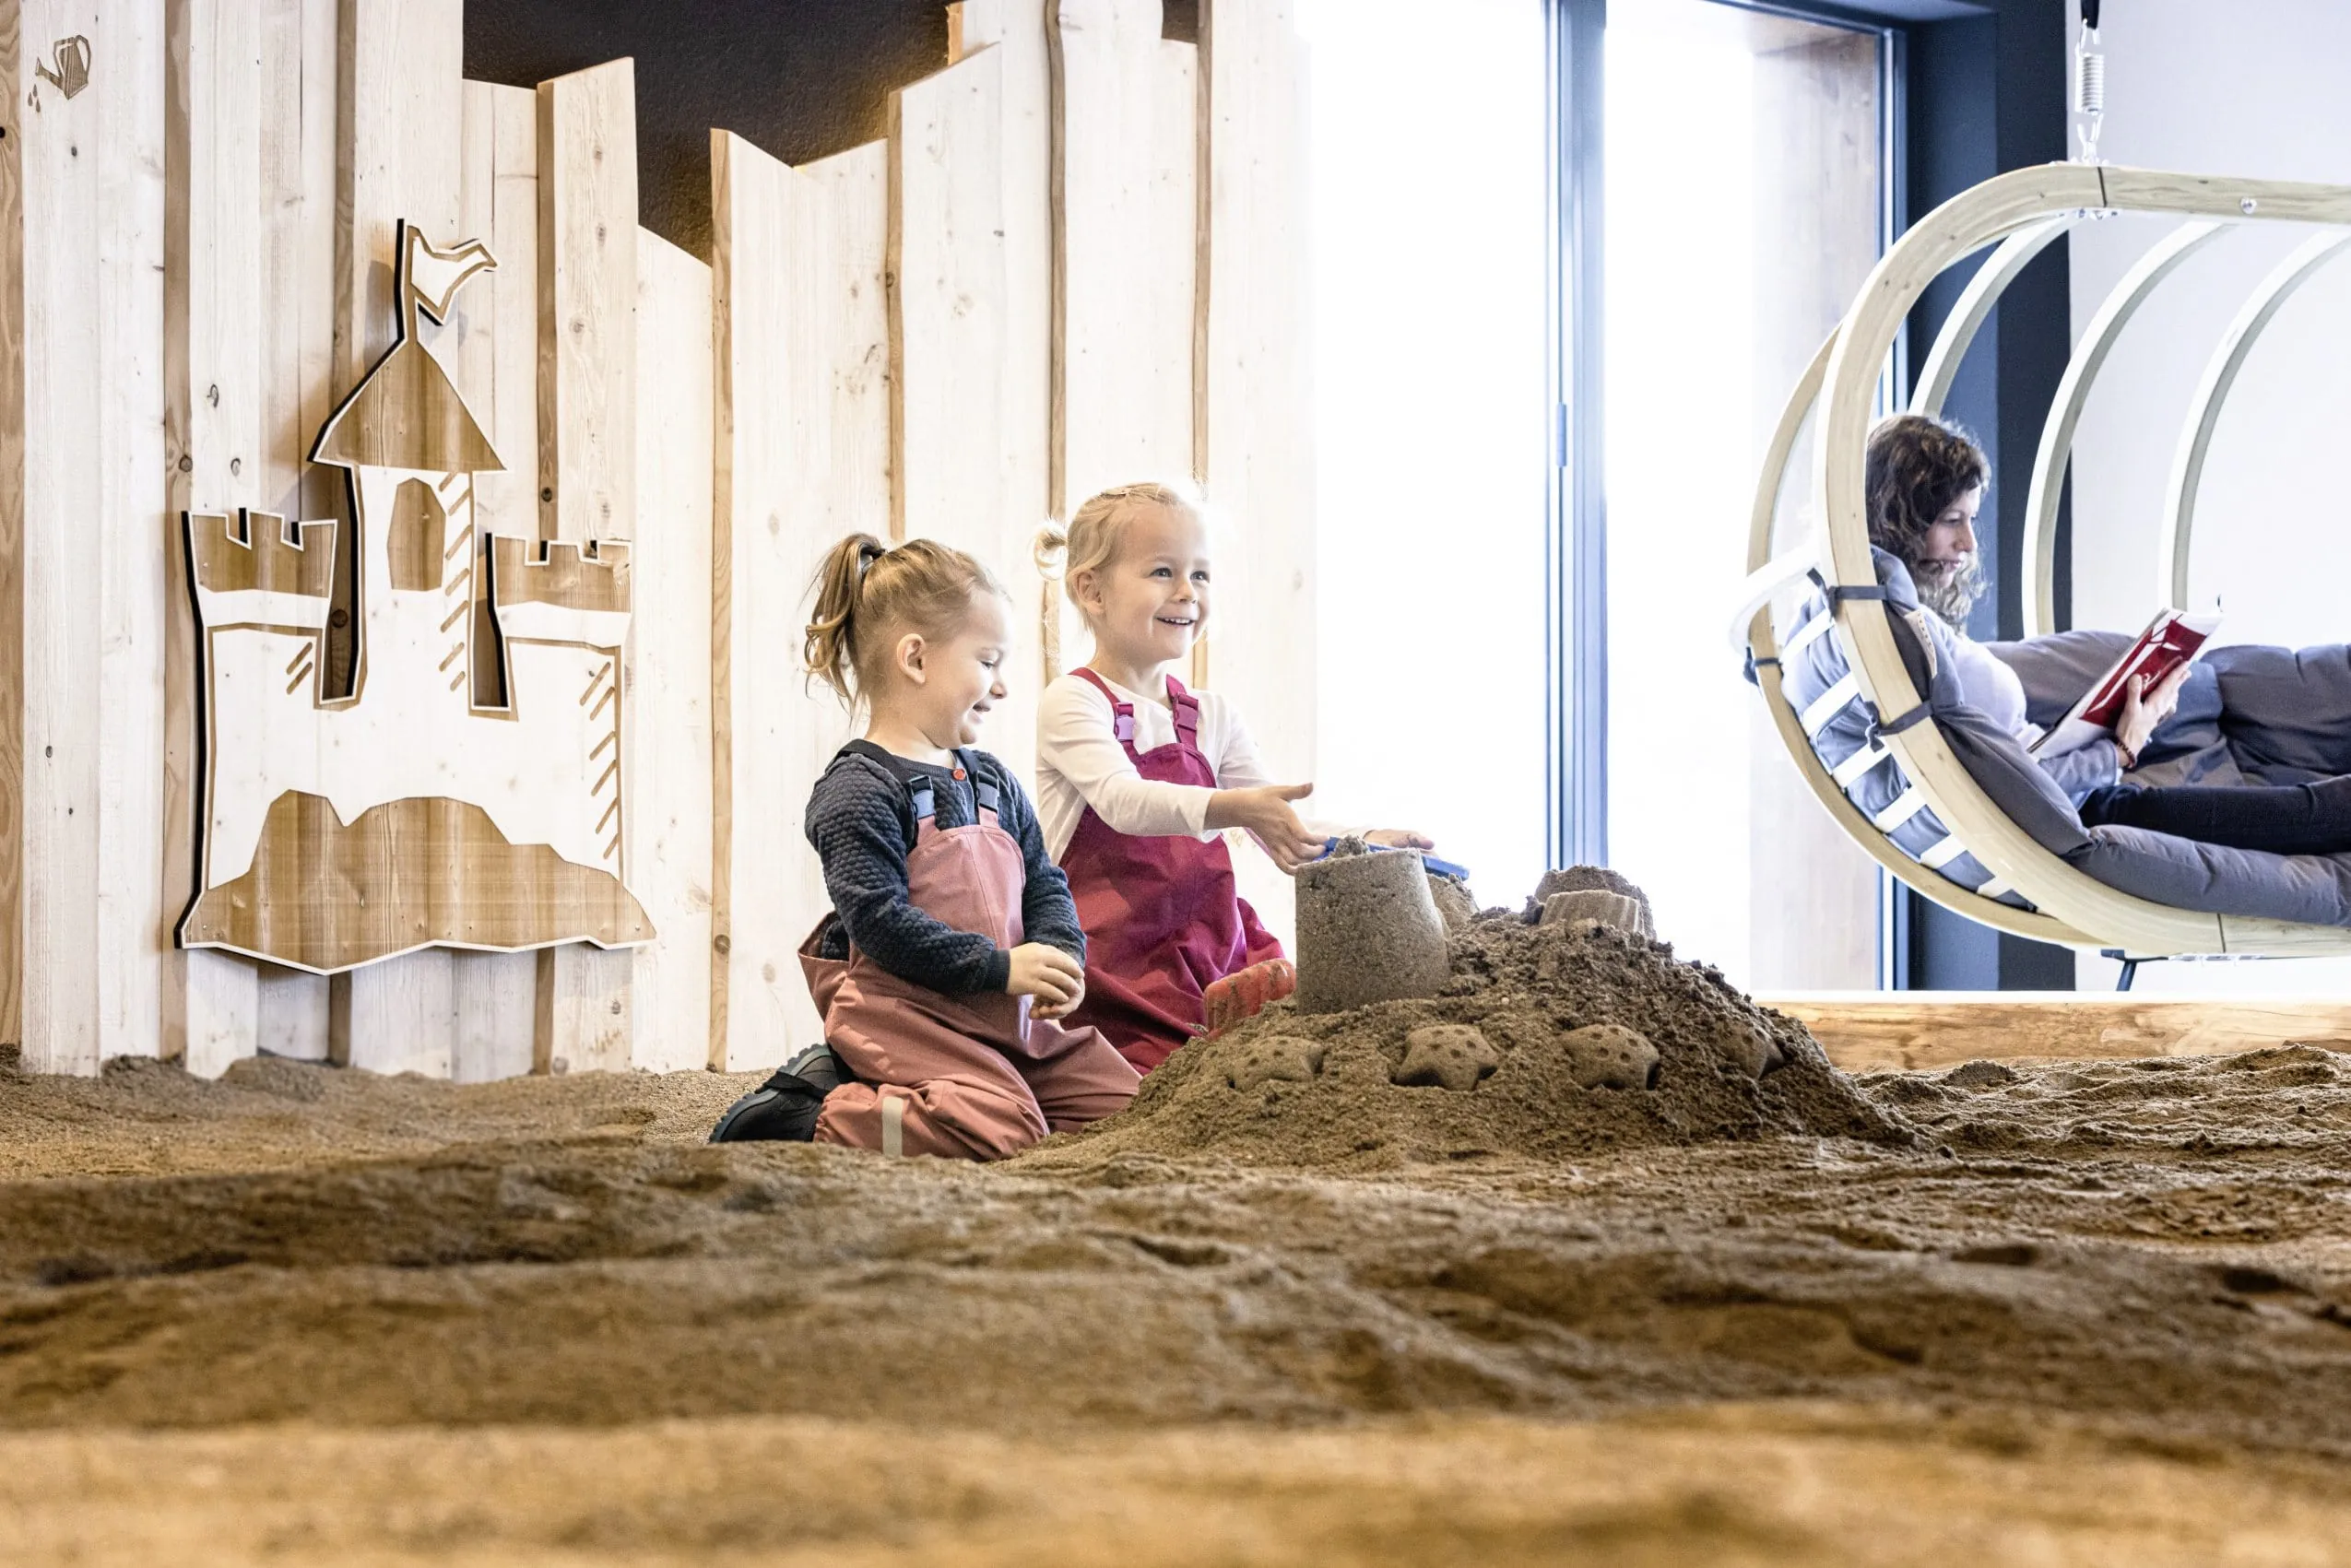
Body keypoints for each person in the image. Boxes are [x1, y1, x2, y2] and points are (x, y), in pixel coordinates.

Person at [709, 535, 1139, 1154]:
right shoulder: (859, 789)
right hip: (911, 1014)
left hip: (1008, 1013)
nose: (1002, 686)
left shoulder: (991, 779)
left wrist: (1058, 951)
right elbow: (881, 924)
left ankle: (985, 1086)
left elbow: (1044, 878)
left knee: (1129, 1108)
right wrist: (1000, 967)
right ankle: (817, 1110)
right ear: (916, 658)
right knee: (1005, 1130)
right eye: (988, 661)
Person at [1034, 480, 1432, 1072]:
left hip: (1213, 949)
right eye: (1162, 571)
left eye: (1201, 575)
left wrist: (1365, 842)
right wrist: (1237, 807)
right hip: (1117, 968)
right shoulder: (1073, 702)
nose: (1186, 592)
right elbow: (1123, 802)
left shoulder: (1211, 715)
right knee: (1157, 1082)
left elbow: (1280, 824)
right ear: (1090, 591)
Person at [1867, 413, 2351, 855]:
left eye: (1970, 520)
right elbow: (2024, 785)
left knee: (2306, 808)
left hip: (2087, 797)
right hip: (2089, 809)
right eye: (1952, 521)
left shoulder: (1901, 626)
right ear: (1902, 517)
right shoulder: (1912, 639)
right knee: (2314, 812)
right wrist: (2122, 747)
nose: (1968, 544)